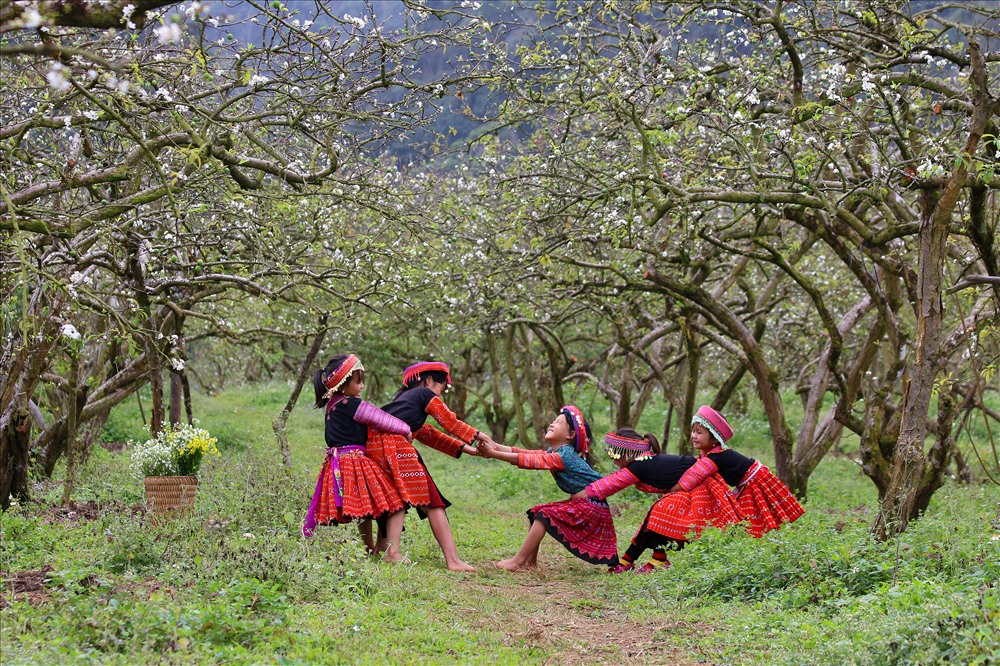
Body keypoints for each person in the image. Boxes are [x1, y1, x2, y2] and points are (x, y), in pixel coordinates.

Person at [367, 361, 489, 572]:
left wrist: (471, 450)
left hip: (375, 448)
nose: (440, 395)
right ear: (429, 380)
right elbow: (449, 421)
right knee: (433, 502)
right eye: (442, 388)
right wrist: (482, 437)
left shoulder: (404, 401)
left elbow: (428, 435)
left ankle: (383, 548)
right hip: (396, 448)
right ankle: (453, 560)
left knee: (392, 499)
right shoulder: (424, 394)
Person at [576, 428, 739, 573]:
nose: (614, 460)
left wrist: (579, 495)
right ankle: (631, 560)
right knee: (654, 519)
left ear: (627, 453)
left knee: (659, 515)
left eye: (615, 454)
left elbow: (609, 485)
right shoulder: (642, 462)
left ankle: (654, 560)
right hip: (688, 489)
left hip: (698, 488)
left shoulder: (639, 466)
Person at [478, 405, 619, 571]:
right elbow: (525, 454)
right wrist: (494, 445)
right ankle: (530, 563)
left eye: (558, 422)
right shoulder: (556, 452)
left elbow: (531, 461)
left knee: (544, 515)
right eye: (554, 421)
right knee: (537, 511)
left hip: (592, 506)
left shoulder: (565, 455)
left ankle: (518, 562)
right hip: (585, 502)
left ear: (570, 435)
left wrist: (493, 453)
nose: (552, 424)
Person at [301, 353, 412, 563]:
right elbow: (380, 419)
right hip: (353, 461)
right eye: (358, 381)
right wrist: (406, 430)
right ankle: (391, 552)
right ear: (343, 385)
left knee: (364, 508)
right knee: (395, 501)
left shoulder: (332, 405)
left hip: (337, 464)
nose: (362, 386)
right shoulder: (350, 404)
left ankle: (370, 549)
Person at [669, 405, 804, 537]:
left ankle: (779, 542)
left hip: (755, 481)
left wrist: (669, 489)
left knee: (752, 524)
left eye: (699, 433)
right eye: (693, 431)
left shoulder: (717, 456)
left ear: (715, 438)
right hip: (748, 482)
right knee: (748, 524)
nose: (694, 436)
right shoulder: (710, 453)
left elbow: (692, 477)